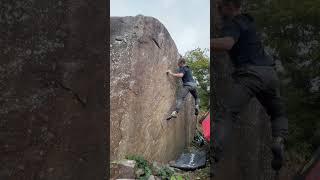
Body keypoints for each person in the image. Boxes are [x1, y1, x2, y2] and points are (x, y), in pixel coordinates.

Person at [211, 0, 288, 174]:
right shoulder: (249, 22)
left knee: (228, 113)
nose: (218, 12)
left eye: (220, 8)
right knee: (278, 113)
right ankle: (278, 139)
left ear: (230, 7)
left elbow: (227, 43)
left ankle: (213, 156)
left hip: (250, 75)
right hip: (270, 75)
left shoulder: (234, 22)